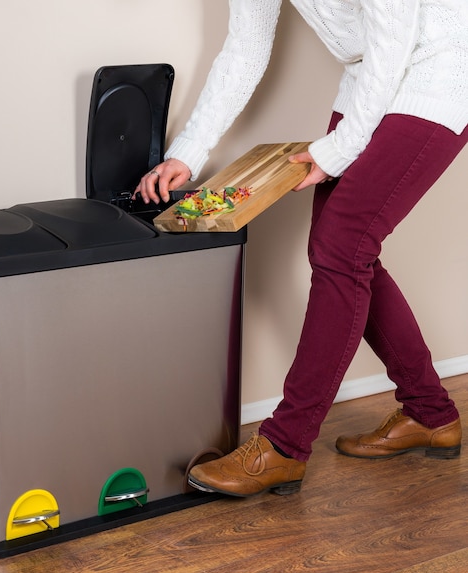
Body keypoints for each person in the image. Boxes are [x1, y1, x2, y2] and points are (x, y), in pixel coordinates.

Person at [135, 0, 468, 497]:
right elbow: (246, 48)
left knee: (343, 245)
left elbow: (395, 36)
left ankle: (286, 445)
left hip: (440, 68)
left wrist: (335, 151)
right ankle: (430, 412)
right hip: (370, 79)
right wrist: (188, 150)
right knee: (342, 249)